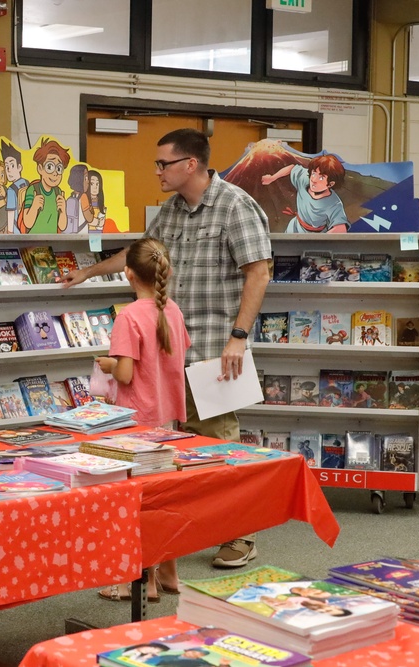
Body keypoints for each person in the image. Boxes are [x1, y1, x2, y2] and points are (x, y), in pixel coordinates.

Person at [62, 128, 272, 569]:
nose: (157, 171)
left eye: (163, 164)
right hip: (170, 349)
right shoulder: (171, 212)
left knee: (218, 440)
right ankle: (197, 526)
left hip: (217, 347)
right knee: (180, 441)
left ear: (190, 165)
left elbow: (259, 273)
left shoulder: (235, 206)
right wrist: (90, 272)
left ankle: (241, 535)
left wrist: (239, 337)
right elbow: (141, 256)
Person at [94, 238, 190, 603]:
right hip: (167, 423)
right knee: (162, 497)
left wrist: (106, 364)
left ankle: (134, 580)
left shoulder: (129, 317)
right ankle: (167, 572)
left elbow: (125, 375)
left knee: (131, 501)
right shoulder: (173, 311)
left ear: (128, 273)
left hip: (135, 423)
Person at [261, 154, 348, 233]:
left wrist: (320, 241)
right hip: (294, 228)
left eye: (321, 177)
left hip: (314, 237)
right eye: (314, 173)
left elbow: (340, 228)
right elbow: (292, 168)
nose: (314, 180)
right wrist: (272, 178)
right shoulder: (304, 180)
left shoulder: (334, 203)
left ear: (331, 184)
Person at [0, 140, 29, 233]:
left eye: (12, 165)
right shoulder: (27, 183)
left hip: (17, 231)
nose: (8, 170)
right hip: (27, 229)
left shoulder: (11, 190)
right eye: (6, 166)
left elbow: (11, 212)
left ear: (19, 167)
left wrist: (9, 232)